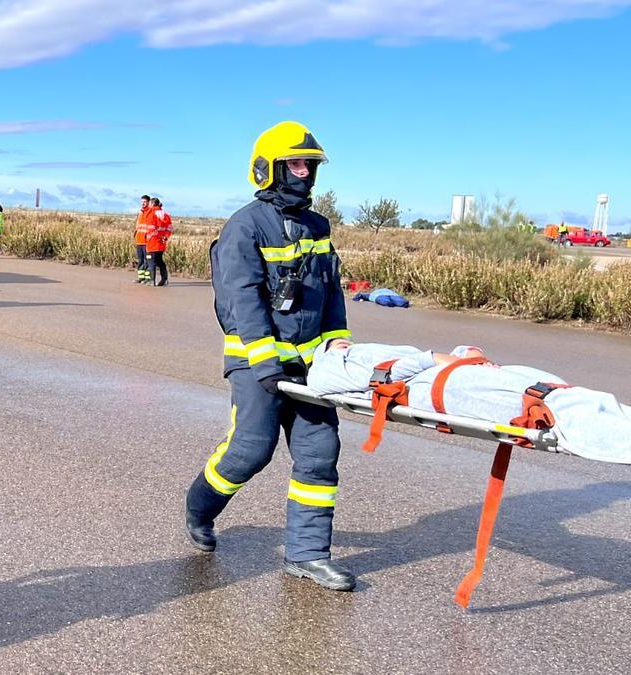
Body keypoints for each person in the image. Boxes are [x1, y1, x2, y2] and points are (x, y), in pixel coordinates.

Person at [184, 121, 355, 591]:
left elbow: (331, 291)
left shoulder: (318, 227)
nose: (304, 173)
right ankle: (199, 507)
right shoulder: (244, 227)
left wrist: (337, 342)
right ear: (269, 171)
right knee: (250, 450)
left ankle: (308, 555)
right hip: (257, 363)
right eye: (295, 164)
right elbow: (239, 299)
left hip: (311, 368)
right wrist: (264, 363)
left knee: (320, 455)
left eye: (309, 166)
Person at [306, 339, 631, 464]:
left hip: (456, 372)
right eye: (336, 342)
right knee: (544, 409)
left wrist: (463, 353)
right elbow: (373, 377)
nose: (343, 340)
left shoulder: (358, 349)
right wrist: (432, 358)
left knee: (559, 392)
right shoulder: (326, 365)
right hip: (439, 384)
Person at [146, 197, 172, 286]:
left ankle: (151, 280)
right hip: (162, 242)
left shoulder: (151, 214)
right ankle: (164, 279)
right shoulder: (166, 215)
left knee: (151, 261)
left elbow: (151, 229)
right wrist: (165, 237)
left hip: (152, 242)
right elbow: (169, 228)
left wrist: (150, 238)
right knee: (160, 261)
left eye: (149, 203)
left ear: (152, 204)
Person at [134, 195, 152, 283]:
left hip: (146, 241)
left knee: (147, 261)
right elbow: (138, 225)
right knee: (140, 260)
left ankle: (147, 278)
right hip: (139, 240)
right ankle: (141, 278)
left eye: (144, 202)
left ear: (148, 202)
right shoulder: (140, 212)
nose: (143, 204)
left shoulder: (150, 212)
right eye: (142, 202)